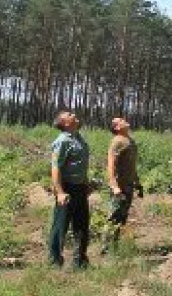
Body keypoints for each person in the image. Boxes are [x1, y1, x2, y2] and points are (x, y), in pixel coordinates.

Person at [48, 110, 91, 268]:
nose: (73, 114)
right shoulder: (62, 141)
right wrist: (59, 192)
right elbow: (56, 168)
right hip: (66, 189)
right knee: (61, 225)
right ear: (65, 123)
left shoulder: (79, 138)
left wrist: (86, 184)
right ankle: (54, 260)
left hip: (80, 188)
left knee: (82, 225)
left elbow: (81, 165)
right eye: (69, 114)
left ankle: (80, 261)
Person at [100, 116, 142, 254]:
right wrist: (114, 185)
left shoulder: (130, 141)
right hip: (119, 187)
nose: (125, 120)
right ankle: (106, 248)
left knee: (122, 217)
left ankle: (114, 245)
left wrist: (137, 182)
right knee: (113, 216)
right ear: (117, 127)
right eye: (121, 121)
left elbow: (132, 165)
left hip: (128, 185)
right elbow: (111, 165)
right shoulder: (117, 142)